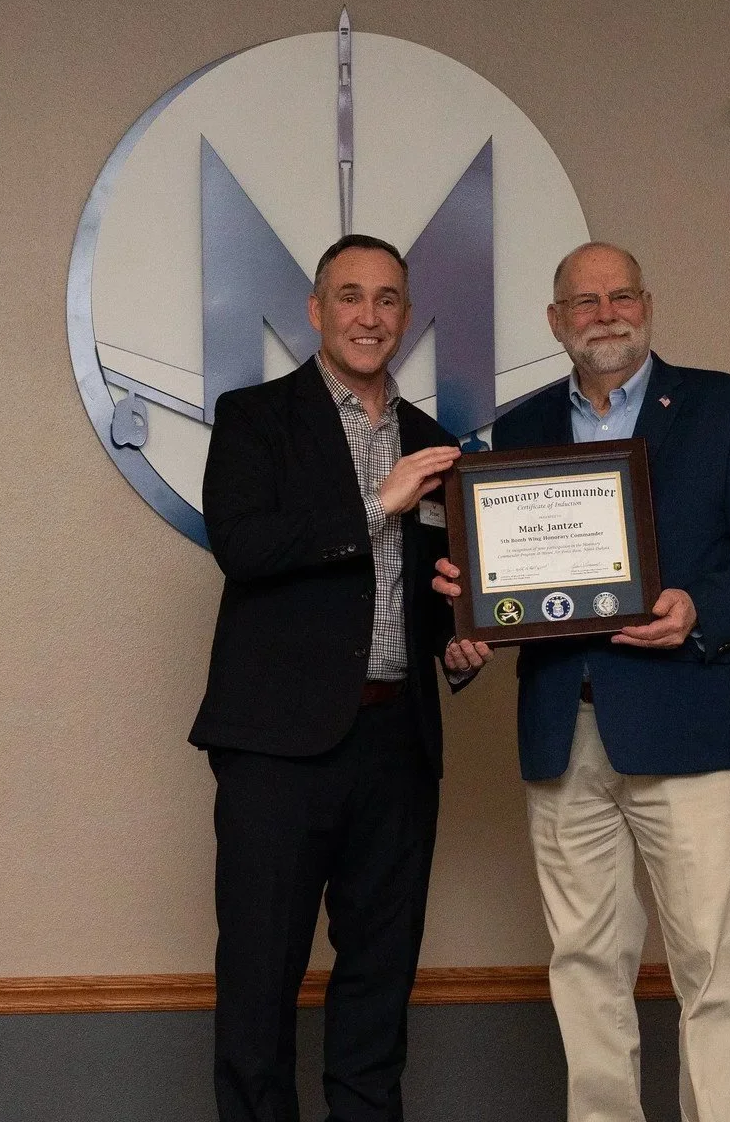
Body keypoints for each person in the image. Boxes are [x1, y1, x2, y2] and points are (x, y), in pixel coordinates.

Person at [435, 242, 730, 1122]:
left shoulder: (726, 406)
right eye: (585, 300)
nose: (606, 312)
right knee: (583, 966)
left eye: (622, 295)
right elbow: (493, 580)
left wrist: (699, 609)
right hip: (567, 730)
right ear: (557, 322)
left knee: (712, 968)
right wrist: (471, 617)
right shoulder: (516, 430)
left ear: (647, 304)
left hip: (690, 718)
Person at [191, 234, 492, 1122]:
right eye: (351, 297)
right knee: (258, 985)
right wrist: (378, 503)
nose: (370, 316)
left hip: (398, 742)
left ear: (407, 317)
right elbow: (242, 549)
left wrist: (460, 642)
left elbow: (436, 597)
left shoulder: (437, 445)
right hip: (276, 750)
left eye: (388, 299)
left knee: (378, 986)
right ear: (317, 312)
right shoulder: (255, 419)